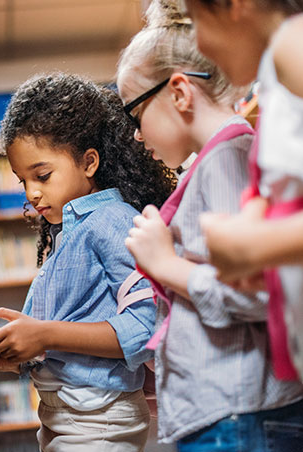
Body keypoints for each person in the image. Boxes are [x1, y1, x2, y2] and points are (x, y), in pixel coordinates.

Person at [117, 1, 303, 450]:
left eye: (135, 114)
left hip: (238, 414)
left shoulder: (224, 159)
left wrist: (165, 264)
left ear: (179, 94)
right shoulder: (220, 159)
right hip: (230, 412)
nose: (137, 135)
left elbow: (256, 293)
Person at [0, 72, 175, 451]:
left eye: (42, 175)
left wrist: (44, 334)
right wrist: (14, 355)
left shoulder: (112, 220)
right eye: (21, 180)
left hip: (98, 418)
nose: (31, 192)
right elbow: (65, 342)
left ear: (89, 163)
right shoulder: (68, 233)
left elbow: (146, 329)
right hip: (64, 414)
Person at [184, 0, 303, 382]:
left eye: (195, 20)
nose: (198, 45)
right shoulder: (275, 74)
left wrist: (255, 246)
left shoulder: (291, 44)